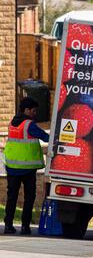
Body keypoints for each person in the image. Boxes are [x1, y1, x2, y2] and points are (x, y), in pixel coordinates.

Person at [3, 98, 49, 235]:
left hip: (12, 166)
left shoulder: (12, 122)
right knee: (29, 197)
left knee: (11, 197)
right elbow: (45, 137)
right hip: (27, 169)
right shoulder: (29, 125)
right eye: (33, 111)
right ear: (26, 110)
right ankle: (25, 226)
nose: (35, 113)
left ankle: (8, 225)